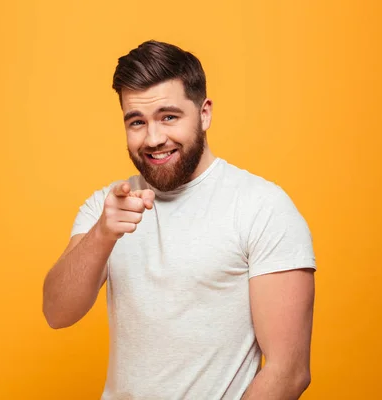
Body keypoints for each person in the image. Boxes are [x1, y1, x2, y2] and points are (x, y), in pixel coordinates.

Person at [42, 40, 317, 400]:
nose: (154, 138)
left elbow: (289, 372)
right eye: (137, 122)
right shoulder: (108, 207)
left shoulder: (262, 207)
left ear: (204, 114)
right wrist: (101, 236)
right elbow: (56, 312)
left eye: (168, 117)